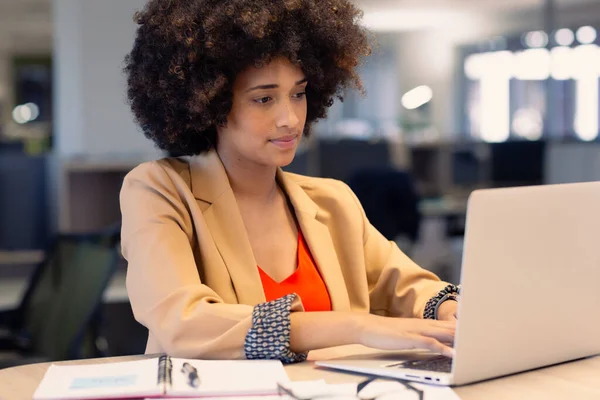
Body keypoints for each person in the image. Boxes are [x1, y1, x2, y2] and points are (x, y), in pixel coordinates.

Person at [121, 0, 460, 363]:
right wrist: (355, 326)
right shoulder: (159, 190)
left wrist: (450, 311)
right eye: (264, 98)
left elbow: (407, 285)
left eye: (298, 94)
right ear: (209, 103)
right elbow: (182, 323)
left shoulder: (332, 201)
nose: (290, 118)